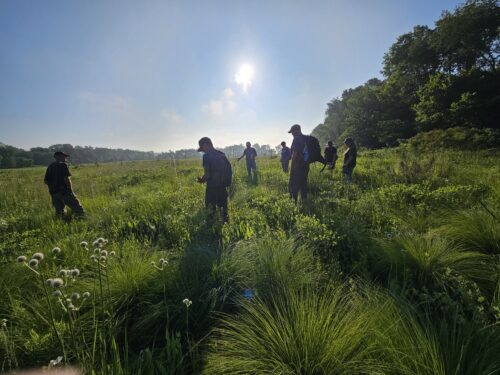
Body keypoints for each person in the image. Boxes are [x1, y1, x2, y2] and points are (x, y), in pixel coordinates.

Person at [197, 137, 232, 221]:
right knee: (224, 209)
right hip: (223, 185)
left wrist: (202, 179)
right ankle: (226, 225)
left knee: (210, 209)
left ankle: (212, 228)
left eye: (202, 148)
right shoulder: (221, 154)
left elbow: (207, 174)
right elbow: (229, 169)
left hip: (212, 187)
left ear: (206, 145)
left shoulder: (206, 156)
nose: (203, 151)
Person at [44, 151, 85, 219]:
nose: (65, 158)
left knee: (60, 213)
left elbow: (46, 181)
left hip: (54, 193)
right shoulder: (63, 165)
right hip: (64, 191)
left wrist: (53, 187)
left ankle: (62, 223)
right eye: (64, 156)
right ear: (59, 156)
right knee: (78, 209)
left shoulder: (50, 166)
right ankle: (82, 220)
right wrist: (70, 190)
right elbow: (66, 179)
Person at [288, 124, 309, 202]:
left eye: (292, 132)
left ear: (297, 131)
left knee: (294, 184)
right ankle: (304, 201)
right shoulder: (305, 138)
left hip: (298, 166)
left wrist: (292, 167)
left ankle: (294, 202)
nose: (292, 134)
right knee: (303, 183)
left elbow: (295, 153)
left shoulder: (297, 139)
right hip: (305, 165)